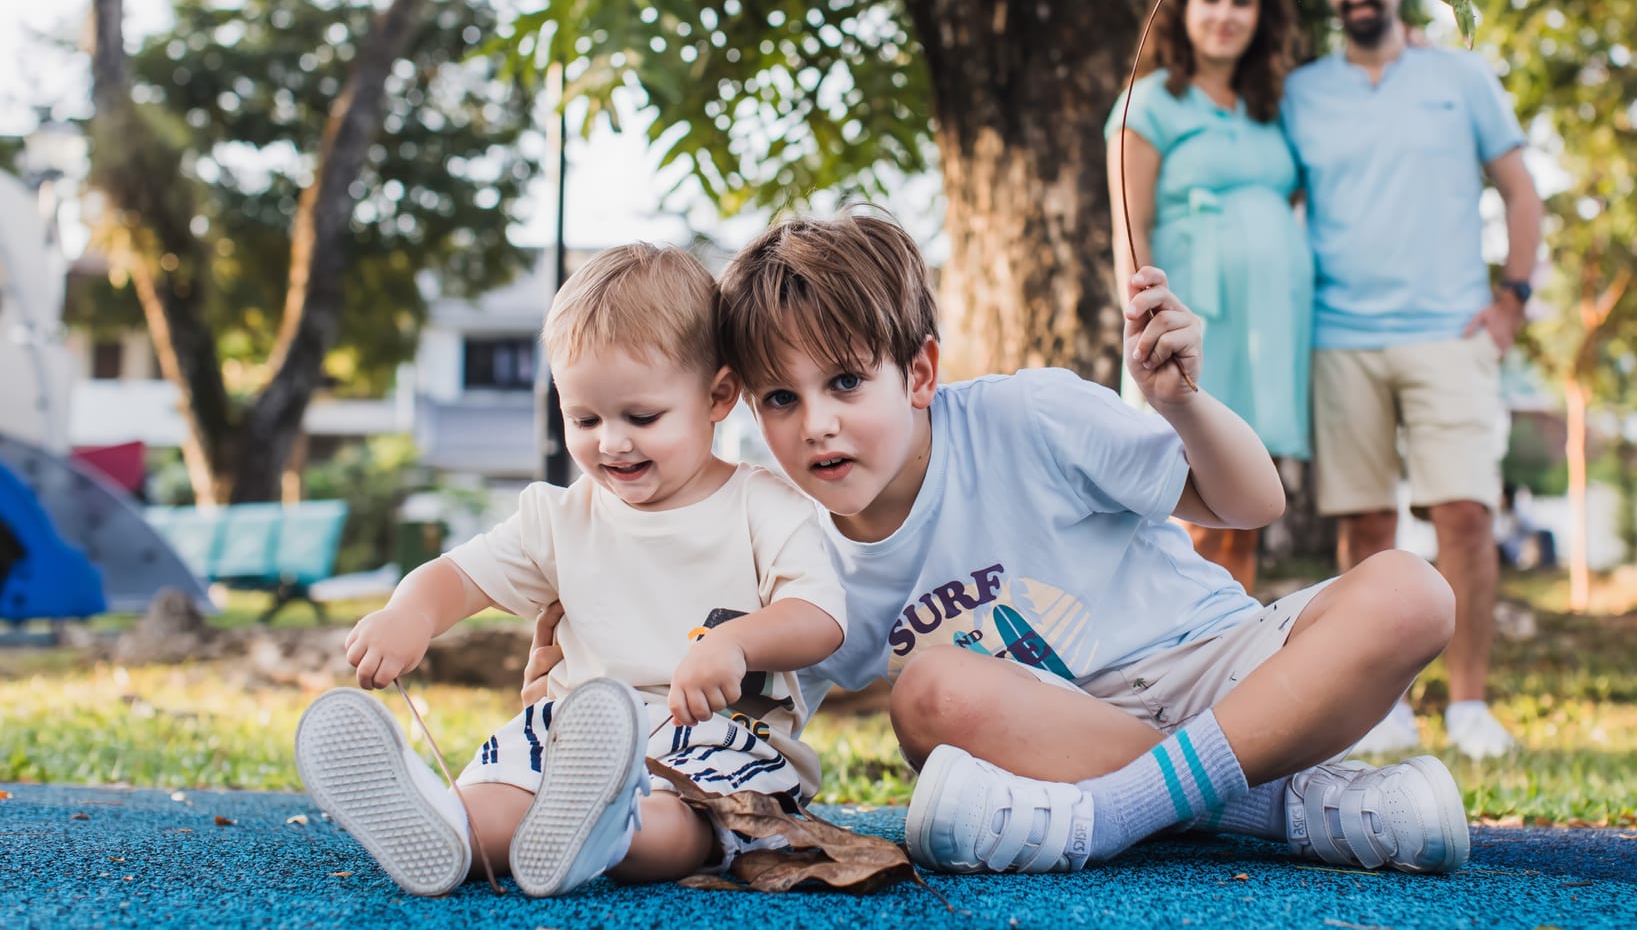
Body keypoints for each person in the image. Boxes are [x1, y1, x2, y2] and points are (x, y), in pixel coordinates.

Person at [703, 209, 1465, 875]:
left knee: (1413, 593)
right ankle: (1278, 807)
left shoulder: (1031, 415)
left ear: (920, 372)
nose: (817, 423)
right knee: (929, 694)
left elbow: (1253, 502)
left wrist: (1181, 402)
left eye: (845, 381)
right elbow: (741, 728)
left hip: (1228, 677)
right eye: (781, 397)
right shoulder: (800, 559)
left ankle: (1111, 815)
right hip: (1064, 737)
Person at [294, 243, 846, 897]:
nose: (611, 441)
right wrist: (409, 614)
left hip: (719, 739)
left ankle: (610, 829)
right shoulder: (559, 517)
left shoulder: (764, 504)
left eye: (642, 416)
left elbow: (820, 617)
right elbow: (459, 575)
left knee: (687, 823)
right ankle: (445, 826)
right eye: (584, 418)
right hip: (573, 736)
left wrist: (737, 643)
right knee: (499, 798)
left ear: (718, 395)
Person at [1281, 0, 1543, 762]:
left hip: (1449, 332)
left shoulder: (1460, 76)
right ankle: (1380, 709)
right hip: (1340, 338)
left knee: (1465, 514)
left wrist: (1513, 300)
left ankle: (1469, 704)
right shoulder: (1302, 93)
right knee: (1364, 528)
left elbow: (1521, 189)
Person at [1105, 0, 1313, 592]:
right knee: (1191, 498)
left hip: (1267, 333)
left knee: (1245, 500)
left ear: (1261, 16)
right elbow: (1130, 227)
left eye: (1241, 1)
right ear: (1183, 10)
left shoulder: (1271, 109)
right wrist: (1146, 324)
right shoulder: (1149, 103)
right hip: (1195, 323)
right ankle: (1185, 635)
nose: (1226, 14)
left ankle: (1236, 636)